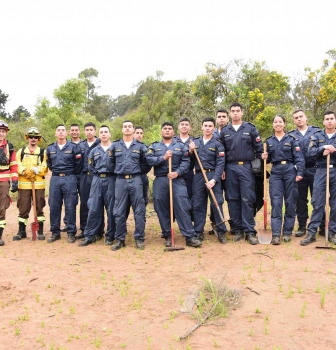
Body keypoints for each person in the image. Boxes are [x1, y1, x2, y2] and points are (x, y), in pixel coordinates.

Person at [147, 122, 202, 248]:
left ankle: (189, 236)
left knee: (182, 205)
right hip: (161, 179)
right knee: (161, 205)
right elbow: (149, 159)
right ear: (161, 131)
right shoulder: (154, 146)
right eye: (165, 129)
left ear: (173, 132)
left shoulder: (181, 146)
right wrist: (163, 158)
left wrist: (177, 173)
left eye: (169, 129)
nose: (167, 130)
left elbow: (186, 162)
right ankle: (167, 235)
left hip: (177, 180)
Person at [220, 102, 263, 245]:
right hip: (230, 167)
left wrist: (257, 170)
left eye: (238, 110)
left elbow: (259, 150)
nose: (235, 113)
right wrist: (222, 170)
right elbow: (221, 153)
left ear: (242, 112)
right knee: (232, 199)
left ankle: (249, 231)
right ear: (230, 114)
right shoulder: (225, 131)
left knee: (247, 199)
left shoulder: (250, 128)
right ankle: (237, 229)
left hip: (246, 167)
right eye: (233, 111)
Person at [107, 120, 150, 251]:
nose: (127, 128)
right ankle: (120, 239)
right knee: (119, 211)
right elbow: (110, 164)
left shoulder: (141, 146)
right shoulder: (114, 146)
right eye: (125, 126)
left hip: (136, 180)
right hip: (120, 181)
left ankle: (139, 238)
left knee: (139, 210)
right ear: (122, 129)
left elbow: (146, 164)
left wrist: (138, 172)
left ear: (133, 130)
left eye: (129, 127)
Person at [262, 115, 304, 245]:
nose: (278, 124)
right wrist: (264, 157)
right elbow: (267, 161)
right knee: (276, 202)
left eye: (280, 122)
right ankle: (275, 234)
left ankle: (287, 232)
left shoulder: (292, 139)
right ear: (273, 124)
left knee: (290, 202)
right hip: (276, 172)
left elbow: (299, 158)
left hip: (290, 170)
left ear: (284, 124)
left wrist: (300, 172)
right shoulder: (269, 141)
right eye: (275, 122)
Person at [189, 117, 227, 244]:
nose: (207, 128)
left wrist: (214, 180)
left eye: (210, 126)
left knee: (217, 203)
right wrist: (190, 151)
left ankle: (221, 231)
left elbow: (220, 164)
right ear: (201, 127)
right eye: (205, 125)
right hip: (199, 176)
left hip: (212, 176)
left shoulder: (218, 144)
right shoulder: (195, 143)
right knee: (198, 204)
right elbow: (189, 161)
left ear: (213, 128)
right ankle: (198, 231)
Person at [301, 111, 336, 246]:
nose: (329, 121)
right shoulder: (316, 136)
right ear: (323, 122)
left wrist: (334, 149)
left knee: (335, 204)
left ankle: (332, 232)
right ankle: (312, 233)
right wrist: (323, 148)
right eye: (326, 119)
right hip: (321, 170)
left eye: (332, 119)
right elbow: (310, 153)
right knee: (317, 202)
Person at [288, 110, 324, 237]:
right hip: (299, 171)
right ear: (294, 120)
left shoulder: (317, 132)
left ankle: (322, 225)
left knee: (318, 199)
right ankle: (302, 226)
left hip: (316, 169)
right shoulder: (291, 136)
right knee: (300, 199)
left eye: (301, 116)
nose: (299, 119)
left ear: (306, 117)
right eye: (296, 117)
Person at [78, 125, 116, 247]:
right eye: (101, 132)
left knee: (111, 209)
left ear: (110, 134)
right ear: (98, 135)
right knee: (94, 208)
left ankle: (110, 236)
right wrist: (98, 176)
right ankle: (91, 235)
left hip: (111, 180)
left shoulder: (115, 148)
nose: (104, 134)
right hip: (97, 180)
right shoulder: (94, 151)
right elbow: (90, 166)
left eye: (106, 132)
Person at [46, 124, 83, 243]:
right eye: (58, 130)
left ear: (66, 133)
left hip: (70, 178)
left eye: (63, 130)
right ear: (55, 134)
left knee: (70, 205)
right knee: (54, 205)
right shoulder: (50, 148)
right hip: (55, 178)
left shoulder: (73, 147)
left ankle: (71, 232)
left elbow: (78, 165)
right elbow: (49, 164)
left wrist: (69, 174)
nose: (61, 132)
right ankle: (55, 232)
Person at [14, 127, 48, 241]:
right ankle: (21, 231)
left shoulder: (43, 152)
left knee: (39, 207)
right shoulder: (21, 151)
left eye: (36, 137)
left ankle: (40, 231)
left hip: (38, 185)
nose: (33, 139)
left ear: (38, 139)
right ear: (27, 138)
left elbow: (44, 167)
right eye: (31, 137)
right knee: (23, 208)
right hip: (24, 186)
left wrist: (34, 170)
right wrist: (24, 171)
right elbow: (16, 165)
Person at [76, 122, 104, 240]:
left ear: (95, 131)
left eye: (91, 130)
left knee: (98, 203)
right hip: (84, 176)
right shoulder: (80, 145)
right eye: (86, 130)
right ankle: (84, 229)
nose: (89, 132)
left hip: (97, 177)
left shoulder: (100, 143)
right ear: (84, 131)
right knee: (84, 203)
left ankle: (99, 230)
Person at [209, 109, 230, 235]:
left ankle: (233, 224)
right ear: (216, 119)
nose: (221, 119)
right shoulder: (212, 133)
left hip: (229, 170)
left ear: (227, 118)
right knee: (215, 197)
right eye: (219, 117)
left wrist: (224, 169)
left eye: (224, 116)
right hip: (215, 171)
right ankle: (215, 224)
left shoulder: (230, 132)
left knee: (230, 197)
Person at [61, 123, 82, 233]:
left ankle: (84, 225)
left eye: (76, 130)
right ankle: (67, 223)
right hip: (69, 177)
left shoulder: (84, 144)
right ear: (69, 132)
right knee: (70, 201)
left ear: (79, 131)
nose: (74, 132)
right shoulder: (66, 144)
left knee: (85, 201)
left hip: (82, 176)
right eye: (72, 130)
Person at [0, 120, 18, 246]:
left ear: (6, 133)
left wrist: (15, 180)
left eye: (3, 131)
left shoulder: (10, 147)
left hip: (4, 180)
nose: (1, 133)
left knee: (2, 208)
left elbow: (13, 165)